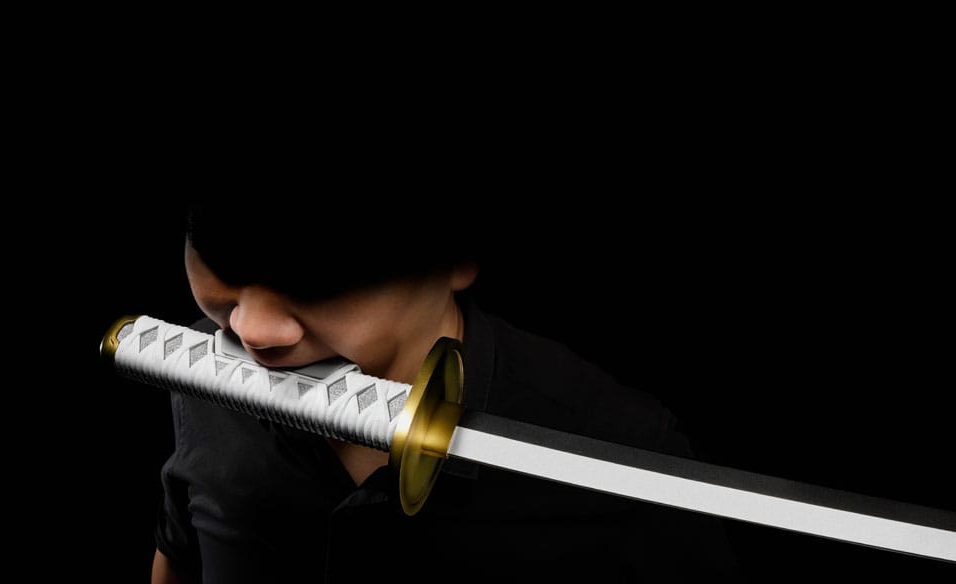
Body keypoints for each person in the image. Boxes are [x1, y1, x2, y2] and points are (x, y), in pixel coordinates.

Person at [151, 201, 740, 583]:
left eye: (313, 279)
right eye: (223, 260)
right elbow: (180, 550)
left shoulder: (628, 460)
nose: (251, 328)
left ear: (455, 255)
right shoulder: (198, 366)